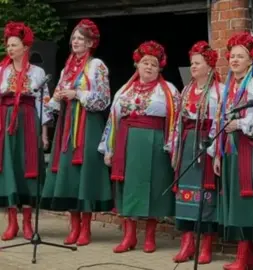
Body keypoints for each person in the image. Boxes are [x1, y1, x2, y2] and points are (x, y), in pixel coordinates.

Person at [99, 40, 179, 253]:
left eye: (154, 63)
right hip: (127, 144)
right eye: (145, 62)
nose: (149, 67)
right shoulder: (124, 90)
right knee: (130, 190)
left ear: (160, 67)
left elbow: (177, 121)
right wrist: (109, 148)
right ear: (137, 64)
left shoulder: (168, 91)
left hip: (155, 144)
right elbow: (113, 120)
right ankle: (129, 237)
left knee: (153, 190)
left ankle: (150, 238)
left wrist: (174, 148)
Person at [41, 19, 112, 246]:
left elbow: (103, 99)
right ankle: (73, 226)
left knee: (86, 174)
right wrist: (53, 100)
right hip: (67, 124)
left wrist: (77, 94)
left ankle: (86, 229)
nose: (75, 42)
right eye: (74, 38)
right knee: (69, 174)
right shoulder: (67, 67)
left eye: (80, 38)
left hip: (87, 125)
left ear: (90, 43)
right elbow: (58, 96)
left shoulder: (96, 65)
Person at [210, 31, 253, 270]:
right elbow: (220, 120)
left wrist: (242, 124)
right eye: (232, 56)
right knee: (236, 196)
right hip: (231, 148)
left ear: (250, 60)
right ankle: (244, 254)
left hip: (249, 148)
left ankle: (246, 256)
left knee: (248, 197)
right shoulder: (229, 87)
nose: (234, 60)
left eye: (240, 56)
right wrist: (217, 152)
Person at [167, 41, 224, 264]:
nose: (193, 67)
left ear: (209, 66)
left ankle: (205, 246)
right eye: (192, 63)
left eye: (197, 63)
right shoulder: (187, 89)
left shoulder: (217, 91)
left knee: (205, 196)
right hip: (188, 143)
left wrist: (214, 150)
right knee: (185, 194)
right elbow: (178, 121)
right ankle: (187, 243)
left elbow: (219, 121)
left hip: (205, 144)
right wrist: (175, 149)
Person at [0, 21, 52, 241]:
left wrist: (44, 133)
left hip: (29, 122)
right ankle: (12, 222)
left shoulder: (38, 73)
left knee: (28, 167)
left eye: (14, 44)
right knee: (9, 168)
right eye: (8, 45)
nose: (10, 49)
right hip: (5, 121)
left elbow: (45, 103)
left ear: (25, 47)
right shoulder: (1, 70)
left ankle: (28, 223)